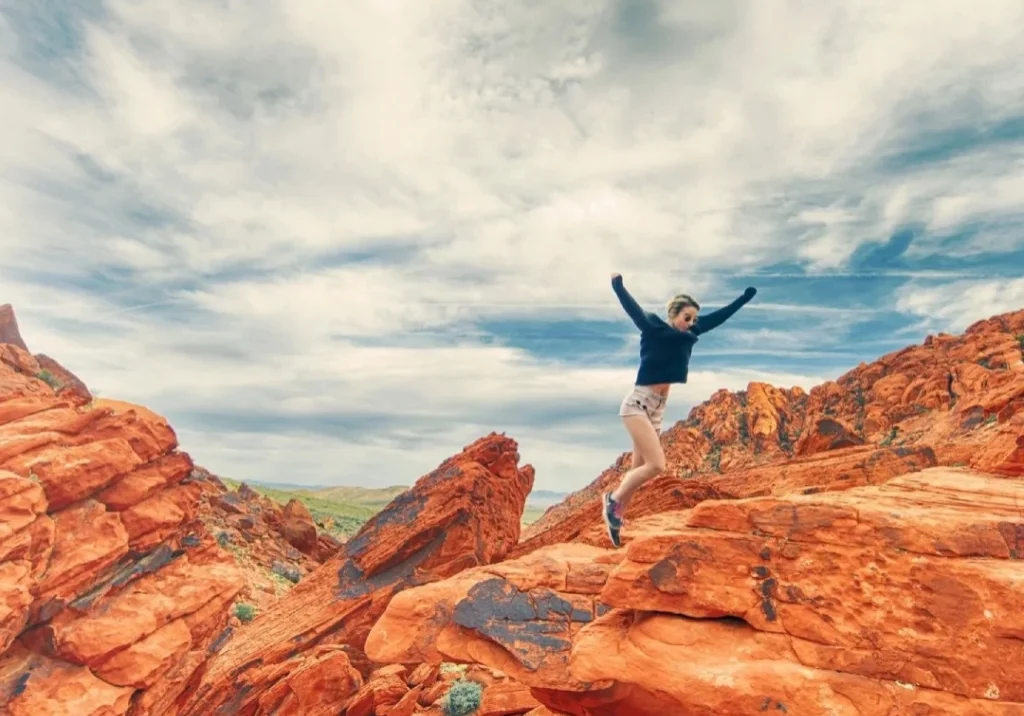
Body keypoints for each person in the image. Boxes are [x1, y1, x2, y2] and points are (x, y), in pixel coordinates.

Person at [601, 273, 757, 547]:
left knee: (639, 468)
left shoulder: (693, 332)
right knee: (656, 465)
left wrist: (743, 299)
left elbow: (719, 317)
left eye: (694, 319)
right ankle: (612, 502)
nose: (691, 323)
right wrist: (619, 287)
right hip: (637, 404)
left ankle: (616, 517)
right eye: (687, 318)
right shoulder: (653, 327)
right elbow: (633, 311)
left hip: (657, 409)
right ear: (674, 315)